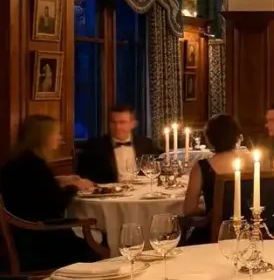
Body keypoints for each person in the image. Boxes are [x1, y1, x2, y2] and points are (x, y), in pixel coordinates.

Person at [0, 115, 99, 269]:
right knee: (101, 241)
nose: (60, 138)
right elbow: (56, 205)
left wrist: (62, 180)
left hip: (21, 235)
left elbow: (36, 191)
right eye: (56, 133)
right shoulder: (35, 165)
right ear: (43, 137)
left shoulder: (20, 161)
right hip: (40, 242)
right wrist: (75, 187)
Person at [182, 114, 249, 244]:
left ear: (209, 139)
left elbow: (188, 209)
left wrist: (212, 209)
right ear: (237, 136)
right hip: (251, 228)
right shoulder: (254, 163)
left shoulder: (203, 167)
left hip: (215, 233)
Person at [75, 104, 162, 184]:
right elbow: (83, 177)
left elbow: (155, 171)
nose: (117, 127)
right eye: (113, 122)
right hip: (108, 197)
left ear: (133, 124)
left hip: (140, 194)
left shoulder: (145, 143)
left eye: (122, 122)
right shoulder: (95, 146)